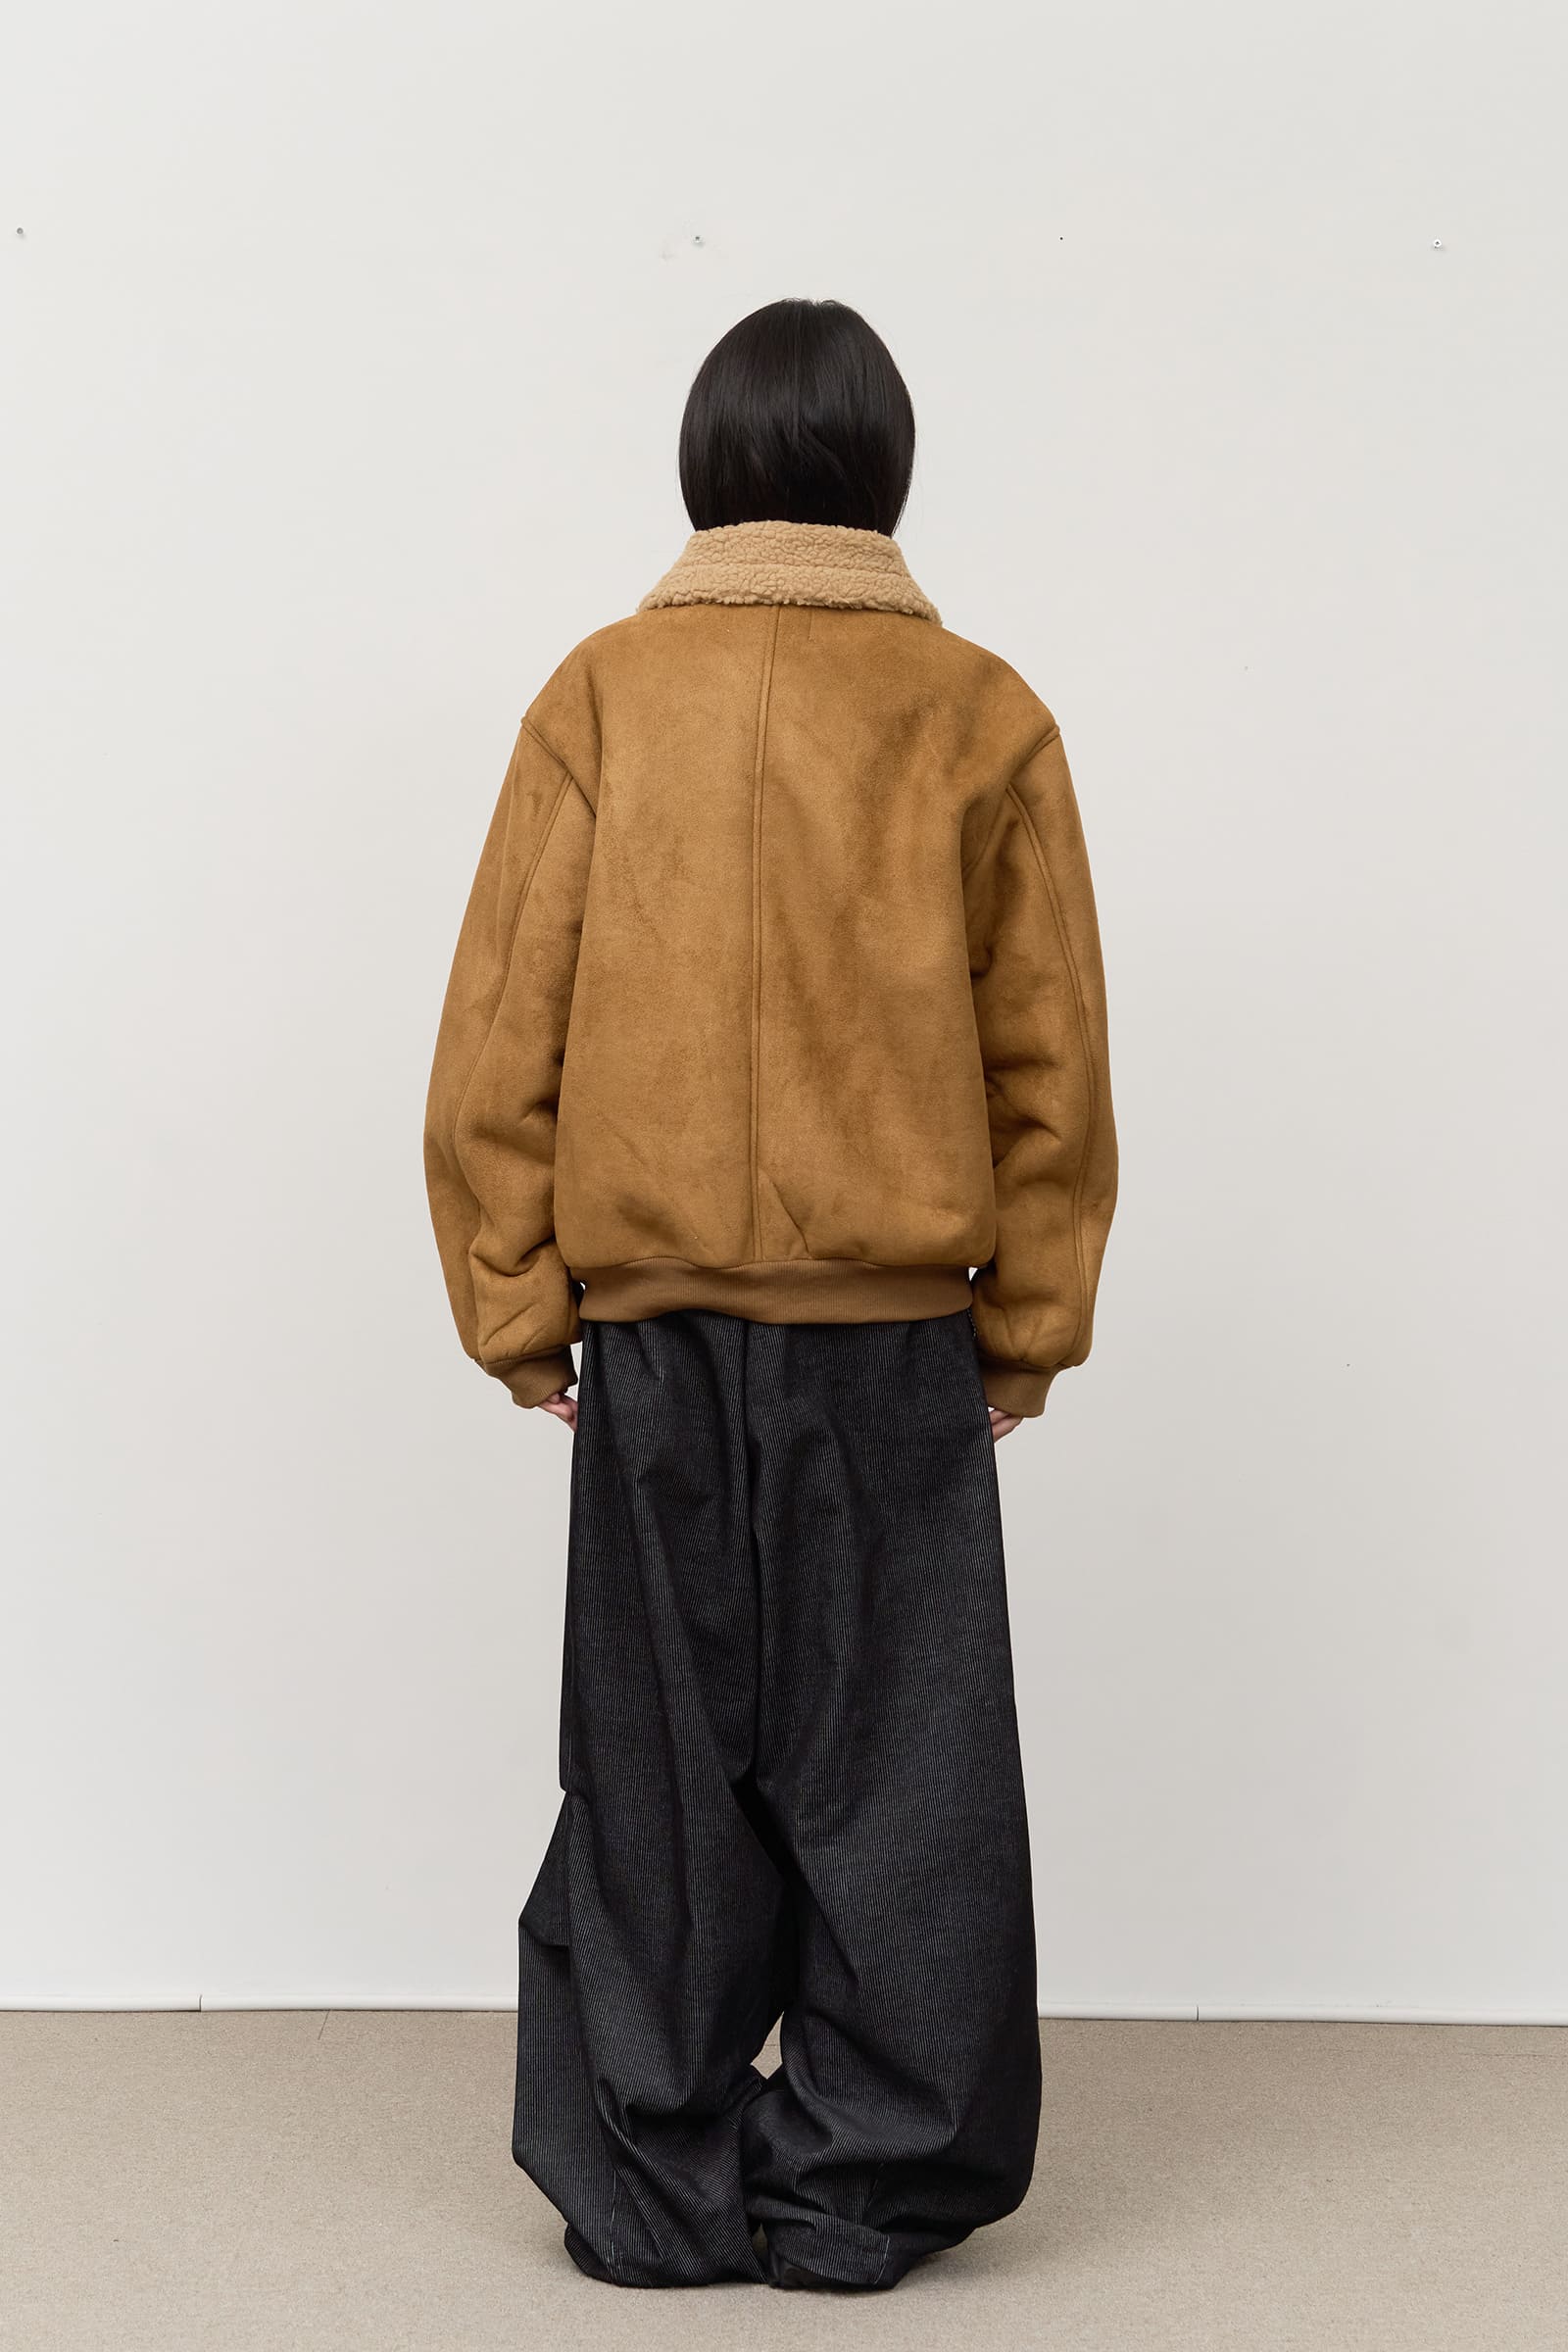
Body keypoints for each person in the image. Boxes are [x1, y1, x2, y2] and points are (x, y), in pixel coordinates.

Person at [422, 297, 1117, 2292]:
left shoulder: (600, 695)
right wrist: (1025, 1326)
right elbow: (1047, 1062)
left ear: (702, 467)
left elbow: (501, 1034)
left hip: (649, 1334)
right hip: (895, 1338)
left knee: (653, 1768)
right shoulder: (978, 712)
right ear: (885, 469)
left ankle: (649, 2184)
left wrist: (517, 1304)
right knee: (900, 1770)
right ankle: (858, 2191)